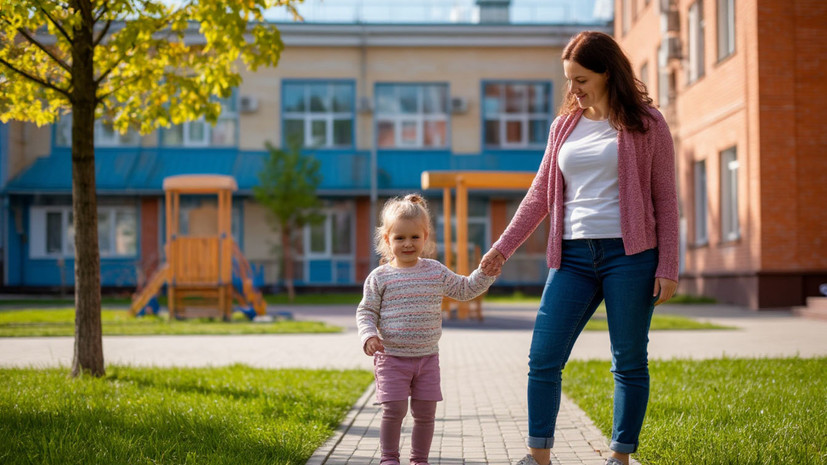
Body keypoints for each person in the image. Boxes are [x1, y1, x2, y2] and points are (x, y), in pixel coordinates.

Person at [480, 31, 679, 465]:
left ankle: (620, 456)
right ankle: (538, 456)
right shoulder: (564, 126)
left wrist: (669, 265)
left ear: (608, 73)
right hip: (570, 257)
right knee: (543, 357)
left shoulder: (647, 123)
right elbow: (539, 194)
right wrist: (502, 249)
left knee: (628, 359)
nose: (573, 89)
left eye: (581, 79)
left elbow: (665, 197)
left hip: (631, 255)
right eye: (569, 79)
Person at [357, 193, 498, 465]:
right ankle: (389, 458)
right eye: (399, 238)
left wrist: (486, 273)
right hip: (392, 358)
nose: (407, 244)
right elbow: (366, 311)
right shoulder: (380, 277)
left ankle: (419, 459)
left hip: (427, 359)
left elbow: (465, 289)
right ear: (387, 240)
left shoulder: (435, 271)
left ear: (425, 237)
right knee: (394, 411)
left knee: (425, 414)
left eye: (414, 237)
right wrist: (368, 335)